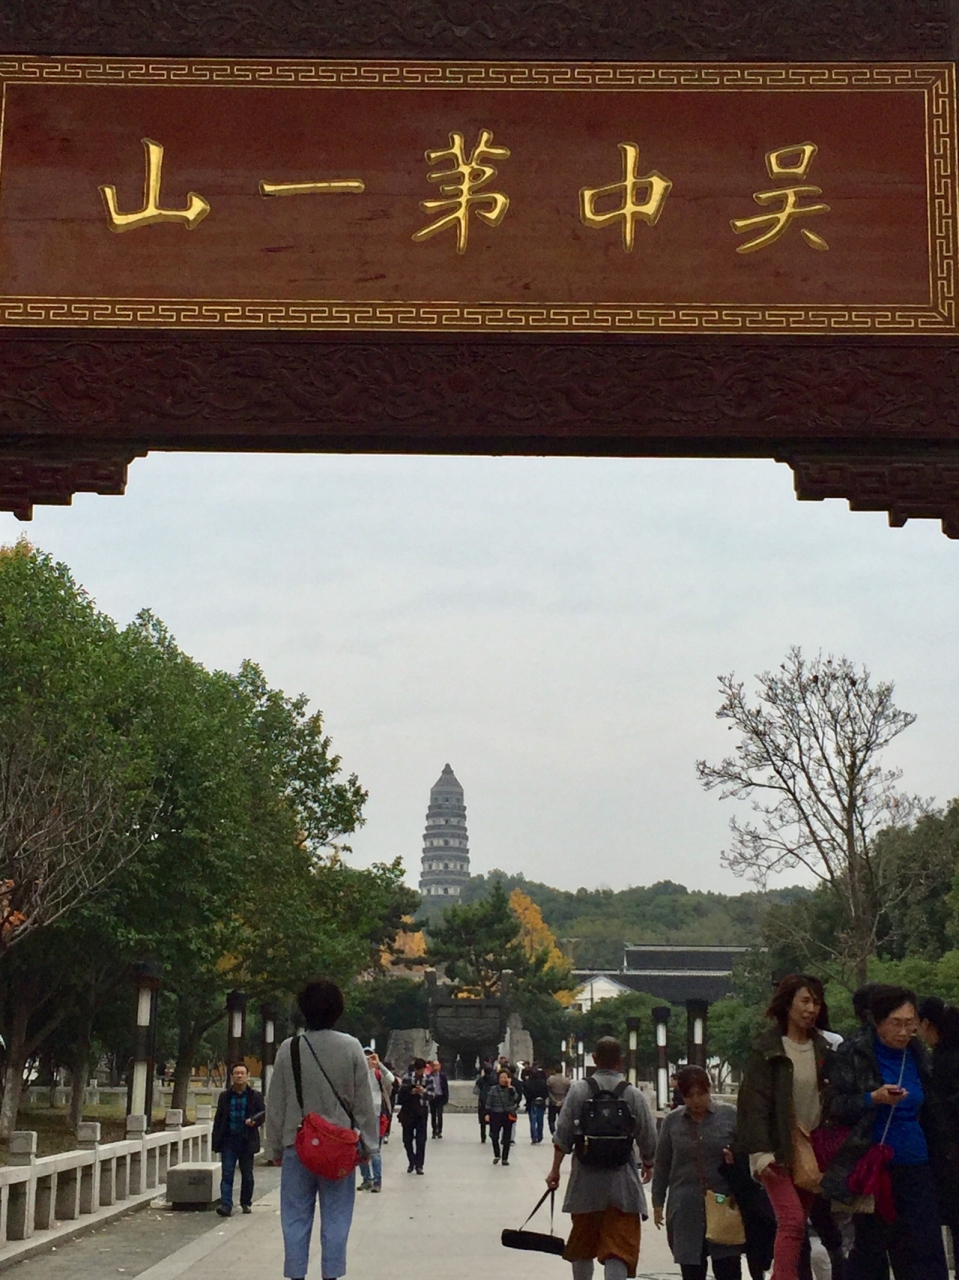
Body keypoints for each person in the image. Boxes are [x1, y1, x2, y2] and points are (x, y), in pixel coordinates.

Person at [821, 983, 956, 1280]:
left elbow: (932, 1109)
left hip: (918, 1165)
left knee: (926, 1251)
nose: (904, 1032)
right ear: (878, 1020)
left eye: (910, 1023)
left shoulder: (917, 1053)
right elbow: (835, 1106)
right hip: (874, 1167)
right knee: (871, 1252)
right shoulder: (855, 1051)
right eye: (896, 1023)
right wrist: (874, 1098)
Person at [265, 979, 378, 1280]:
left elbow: (276, 1103)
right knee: (337, 1216)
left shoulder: (289, 1049)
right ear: (337, 1010)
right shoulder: (351, 1047)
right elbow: (364, 1103)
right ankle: (331, 1274)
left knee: (295, 1216)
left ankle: (296, 1274)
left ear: (304, 1011)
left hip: (298, 1145)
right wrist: (369, 1145)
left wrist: (274, 1147)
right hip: (339, 1148)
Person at [735, 973, 833, 1280]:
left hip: (811, 1152)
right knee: (791, 1222)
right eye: (805, 1001)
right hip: (776, 1151)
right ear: (787, 1004)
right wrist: (761, 1153)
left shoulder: (824, 1049)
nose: (811, 1008)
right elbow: (753, 1105)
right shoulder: (767, 1049)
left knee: (798, 1226)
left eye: (816, 1002)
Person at [546, 1035, 658, 1280]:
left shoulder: (578, 1091)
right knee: (618, 1249)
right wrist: (648, 1162)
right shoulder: (632, 1094)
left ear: (595, 1059)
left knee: (582, 1246)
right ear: (621, 1061)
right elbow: (649, 1137)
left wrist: (555, 1171)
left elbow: (562, 1135)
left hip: (584, 1183)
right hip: (622, 1184)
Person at [652, 1065, 742, 1280]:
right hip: (686, 1207)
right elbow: (662, 1163)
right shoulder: (672, 1122)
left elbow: (746, 1154)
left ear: (709, 1089)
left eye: (701, 1093)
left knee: (728, 1268)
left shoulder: (730, 1116)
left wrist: (735, 1159)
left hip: (723, 1203)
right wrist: (658, 1202)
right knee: (692, 1269)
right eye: (689, 1095)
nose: (696, 1100)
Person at [212, 1061, 265, 1217]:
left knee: (247, 1175)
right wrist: (216, 1141)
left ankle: (245, 1202)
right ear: (232, 1076)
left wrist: (254, 1121)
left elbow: (262, 1114)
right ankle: (226, 1205)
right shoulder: (225, 1097)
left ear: (248, 1076)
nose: (239, 1076)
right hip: (229, 1140)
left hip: (247, 1140)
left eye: (242, 1073)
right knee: (227, 1174)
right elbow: (219, 1119)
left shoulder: (255, 1096)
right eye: (236, 1073)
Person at [358, 1048, 394, 1193]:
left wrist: (379, 1064)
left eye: (370, 1057)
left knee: (374, 1150)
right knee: (360, 1150)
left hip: (375, 1114)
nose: (368, 1060)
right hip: (359, 1115)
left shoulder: (378, 1073)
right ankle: (367, 1179)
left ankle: (377, 1181)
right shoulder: (357, 1073)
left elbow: (392, 1079)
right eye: (365, 1057)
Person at [397, 1058, 433, 1174]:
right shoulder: (407, 1077)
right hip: (408, 1111)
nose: (420, 1073)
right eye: (418, 1070)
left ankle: (419, 1165)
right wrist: (410, 1092)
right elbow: (400, 1095)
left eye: (421, 1070)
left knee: (421, 1139)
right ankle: (411, 1161)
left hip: (422, 1110)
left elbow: (433, 1095)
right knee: (407, 1139)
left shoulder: (429, 1079)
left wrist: (423, 1092)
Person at [485, 1067, 521, 1165]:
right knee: (494, 1136)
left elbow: (516, 1099)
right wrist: (487, 1113)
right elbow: (488, 1102)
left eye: (505, 1077)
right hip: (495, 1114)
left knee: (506, 1138)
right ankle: (497, 1154)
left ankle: (505, 1158)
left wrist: (510, 1087)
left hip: (507, 1114)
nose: (503, 1079)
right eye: (501, 1077)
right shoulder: (493, 1089)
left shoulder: (511, 1089)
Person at [524, 1063, 549, 1144]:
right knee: (540, 1120)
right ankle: (539, 1136)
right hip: (541, 1102)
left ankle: (534, 1137)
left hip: (531, 1102)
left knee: (532, 1121)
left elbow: (526, 1094)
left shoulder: (527, 1083)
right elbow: (546, 1093)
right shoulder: (543, 1083)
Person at [548, 1065, 572, 1136]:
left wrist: (554, 1101)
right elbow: (568, 1092)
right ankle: (560, 1133)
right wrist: (562, 1101)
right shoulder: (566, 1081)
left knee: (551, 1120)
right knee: (562, 1119)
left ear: (554, 1070)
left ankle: (553, 1132)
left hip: (553, 1102)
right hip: (563, 1102)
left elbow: (548, 1092)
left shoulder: (550, 1080)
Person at [475, 1060, 495, 1143]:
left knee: (482, 1121)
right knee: (492, 1119)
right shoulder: (494, 1080)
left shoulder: (480, 1080)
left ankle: (483, 1137)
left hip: (482, 1102)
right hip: (492, 1102)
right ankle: (492, 1133)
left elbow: (475, 1091)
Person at [429, 1059, 449, 1138]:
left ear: (440, 1066)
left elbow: (445, 1088)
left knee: (440, 1114)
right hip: (432, 1097)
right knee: (433, 1115)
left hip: (440, 1097)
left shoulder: (442, 1076)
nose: (436, 1067)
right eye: (434, 1066)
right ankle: (434, 1130)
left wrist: (446, 1098)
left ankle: (439, 1131)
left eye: (437, 1065)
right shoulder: (429, 1076)